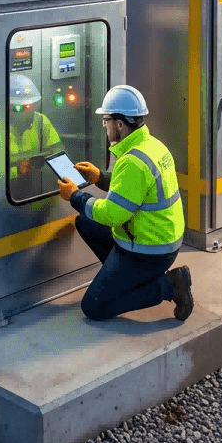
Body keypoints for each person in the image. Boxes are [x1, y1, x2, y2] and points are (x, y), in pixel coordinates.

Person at [55, 84, 193, 322]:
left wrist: (75, 196)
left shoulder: (133, 162)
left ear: (120, 124)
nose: (105, 126)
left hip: (149, 251)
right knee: (85, 222)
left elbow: (113, 215)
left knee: (94, 307)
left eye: (106, 120)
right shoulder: (149, 146)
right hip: (156, 239)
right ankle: (122, 278)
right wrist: (99, 177)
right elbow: (132, 191)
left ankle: (169, 286)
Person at [8, 73, 62, 201]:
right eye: (18, 107)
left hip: (37, 188)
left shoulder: (41, 122)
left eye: (29, 106)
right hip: (7, 191)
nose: (26, 111)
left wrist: (38, 166)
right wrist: (17, 171)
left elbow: (59, 155)